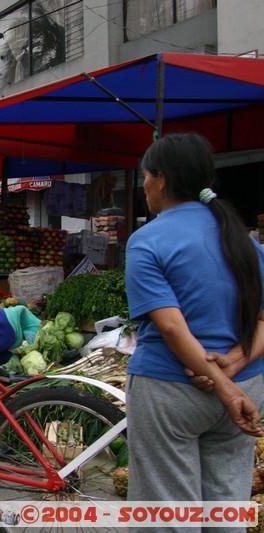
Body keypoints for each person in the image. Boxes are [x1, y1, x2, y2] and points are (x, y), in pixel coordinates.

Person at [124, 133, 264, 522]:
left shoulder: (148, 240)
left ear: (161, 179)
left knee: (169, 512)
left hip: (172, 390)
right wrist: (233, 370)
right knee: (226, 506)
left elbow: (171, 328)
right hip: (247, 388)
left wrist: (222, 384)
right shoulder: (246, 242)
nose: (145, 186)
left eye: (146, 176)